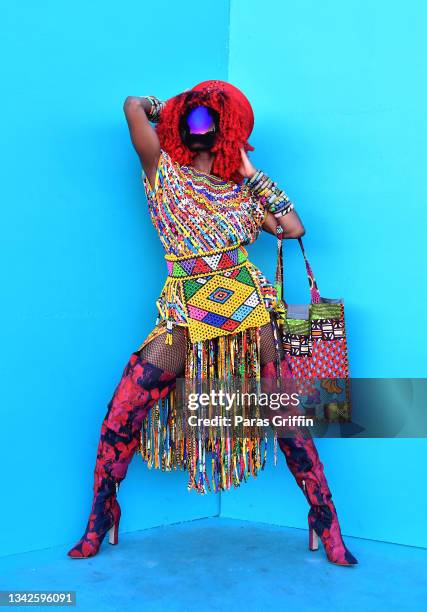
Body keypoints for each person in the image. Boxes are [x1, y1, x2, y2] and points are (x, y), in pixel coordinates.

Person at [67, 80, 357, 566]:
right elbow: (130, 105)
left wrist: (250, 170)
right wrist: (171, 107)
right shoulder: (163, 171)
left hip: (248, 313)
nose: (201, 127)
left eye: (212, 120)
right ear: (182, 126)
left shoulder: (243, 190)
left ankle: (324, 520)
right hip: (185, 315)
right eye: (195, 119)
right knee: (125, 411)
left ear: (230, 130)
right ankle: (102, 513)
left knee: (289, 420)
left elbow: (293, 229)